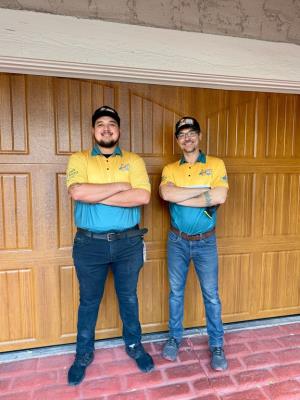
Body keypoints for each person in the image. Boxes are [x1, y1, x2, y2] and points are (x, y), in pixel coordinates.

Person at [66, 105, 154, 386]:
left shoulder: (134, 160)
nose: (106, 128)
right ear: (93, 130)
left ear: (119, 130)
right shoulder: (79, 159)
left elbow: (142, 197)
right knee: (89, 301)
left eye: (112, 124)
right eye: (100, 124)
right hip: (89, 244)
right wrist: (119, 185)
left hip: (128, 243)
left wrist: (95, 195)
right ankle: (83, 353)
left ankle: (134, 345)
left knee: (128, 297)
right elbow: (76, 192)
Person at [159, 116, 229, 371]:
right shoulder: (170, 169)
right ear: (178, 140)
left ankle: (217, 345)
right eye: (182, 134)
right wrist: (202, 194)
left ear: (199, 136)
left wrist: (181, 195)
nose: (187, 138)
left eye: (191, 133)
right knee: (176, 292)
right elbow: (166, 194)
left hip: (205, 242)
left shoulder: (216, 164)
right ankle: (174, 338)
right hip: (177, 240)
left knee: (211, 295)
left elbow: (220, 195)